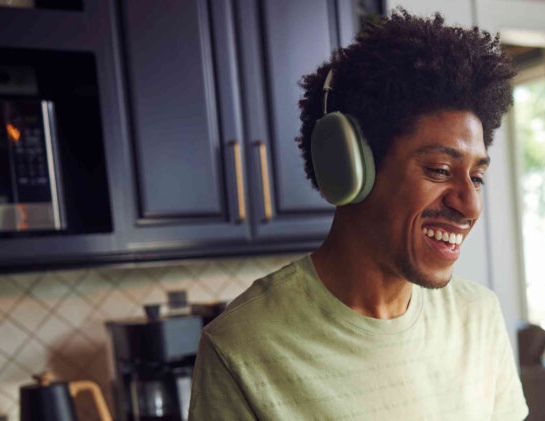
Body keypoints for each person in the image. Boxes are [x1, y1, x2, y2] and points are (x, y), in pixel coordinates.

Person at [188, 10, 527, 420]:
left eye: (477, 177)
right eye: (439, 170)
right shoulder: (241, 347)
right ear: (350, 167)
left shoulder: (479, 316)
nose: (470, 206)